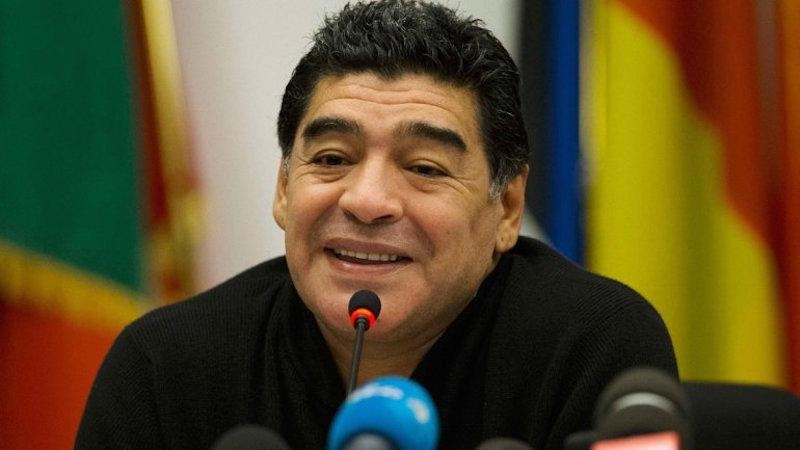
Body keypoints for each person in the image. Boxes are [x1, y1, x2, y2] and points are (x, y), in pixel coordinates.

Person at [76, 1, 677, 449]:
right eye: (331, 159)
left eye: (424, 168)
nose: (367, 201)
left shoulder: (590, 346)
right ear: (284, 188)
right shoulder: (166, 367)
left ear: (507, 209)